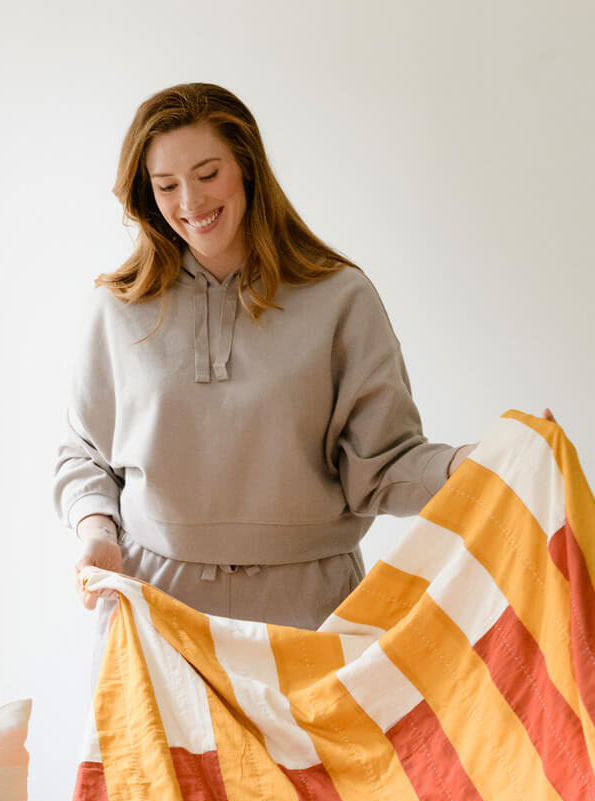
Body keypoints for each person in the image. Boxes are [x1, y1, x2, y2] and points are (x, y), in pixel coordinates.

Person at [53, 82, 478, 630]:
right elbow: (84, 454)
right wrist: (96, 535)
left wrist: (472, 464)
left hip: (310, 609)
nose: (190, 202)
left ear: (247, 167)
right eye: (167, 185)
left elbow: (383, 465)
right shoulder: (117, 307)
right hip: (155, 610)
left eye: (208, 175)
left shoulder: (341, 297)